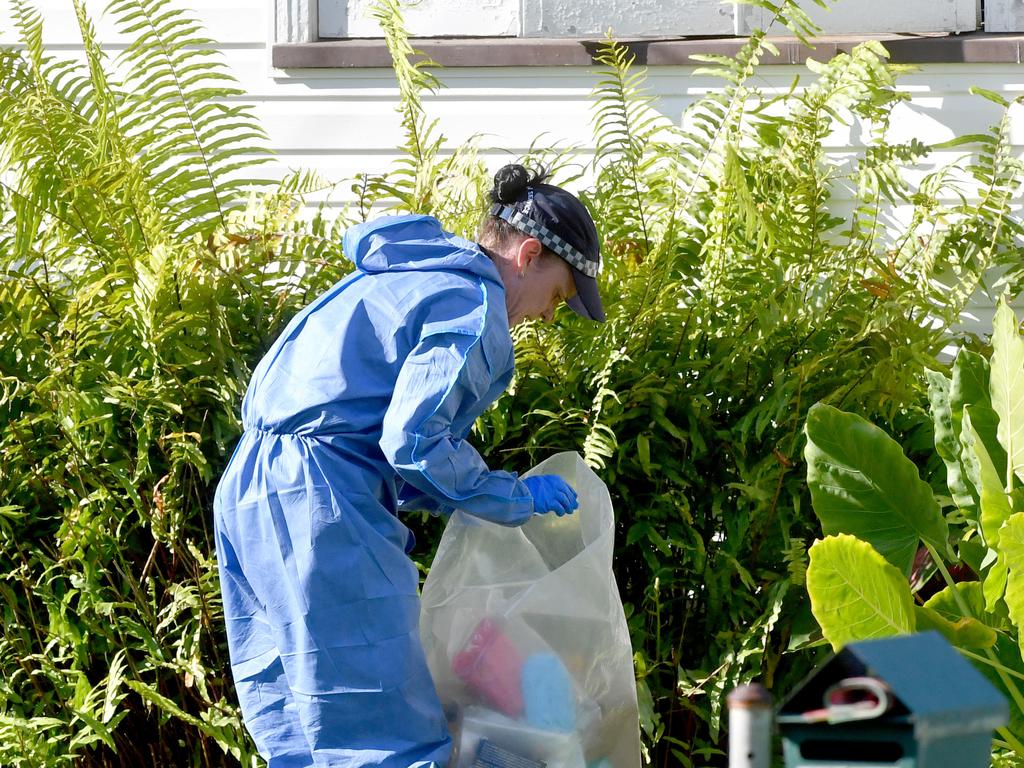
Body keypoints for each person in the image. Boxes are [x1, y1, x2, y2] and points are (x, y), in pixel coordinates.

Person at [213, 163, 605, 767]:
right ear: (528, 255)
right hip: (323, 502)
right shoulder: (472, 304)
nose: (550, 315)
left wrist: (454, 491)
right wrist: (511, 497)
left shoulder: (408, 275)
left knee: (297, 728)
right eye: (557, 294)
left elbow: (366, 424)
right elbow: (413, 442)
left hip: (250, 488)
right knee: (382, 731)